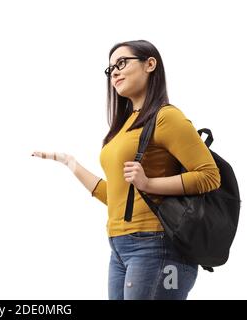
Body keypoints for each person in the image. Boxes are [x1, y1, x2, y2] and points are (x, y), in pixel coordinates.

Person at [32, 40, 220, 300]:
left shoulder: (167, 117)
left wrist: (149, 184)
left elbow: (209, 176)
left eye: (122, 63)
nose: (115, 73)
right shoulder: (125, 126)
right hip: (119, 245)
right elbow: (120, 197)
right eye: (110, 69)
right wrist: (70, 163)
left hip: (156, 245)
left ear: (150, 64)